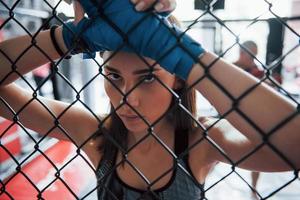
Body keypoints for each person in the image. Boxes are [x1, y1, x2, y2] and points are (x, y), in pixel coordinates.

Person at [0, 0, 300, 199]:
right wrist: (67, 38)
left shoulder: (200, 141)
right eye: (114, 76)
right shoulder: (95, 133)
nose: (128, 99)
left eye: (147, 78)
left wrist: (186, 56)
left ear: (178, 77)